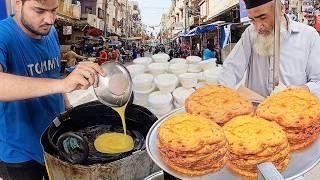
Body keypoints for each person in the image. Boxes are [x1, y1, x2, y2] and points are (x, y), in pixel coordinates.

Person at [0, 0, 104, 179]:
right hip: (21, 153)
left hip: (55, 138)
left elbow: (53, 76)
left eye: (54, 10)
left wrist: (67, 103)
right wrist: (63, 84)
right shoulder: (4, 34)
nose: (49, 19)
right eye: (39, 10)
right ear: (18, 3)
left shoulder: (51, 33)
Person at [218, 0, 320, 98]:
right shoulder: (250, 33)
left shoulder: (309, 36)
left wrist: (304, 89)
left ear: (280, 8)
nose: (258, 27)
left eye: (263, 18)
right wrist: (219, 96)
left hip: (293, 111)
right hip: (256, 112)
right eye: (252, 20)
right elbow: (231, 69)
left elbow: (317, 81)